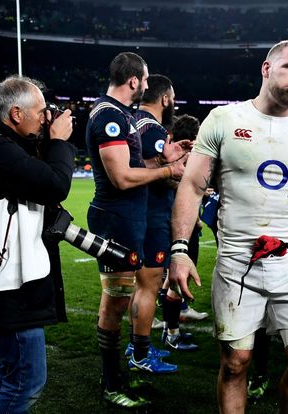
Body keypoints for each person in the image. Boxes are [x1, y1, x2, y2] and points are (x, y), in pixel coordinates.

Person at [168, 37, 288, 414]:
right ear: (266, 68)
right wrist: (179, 249)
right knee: (235, 363)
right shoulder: (225, 120)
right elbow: (192, 186)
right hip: (237, 263)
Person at [0, 75, 75, 413]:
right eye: (39, 112)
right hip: (8, 287)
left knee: (12, 374)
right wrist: (59, 142)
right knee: (26, 381)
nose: (44, 118)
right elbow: (54, 185)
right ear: (16, 115)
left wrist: (44, 137)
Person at [85, 52, 188, 408]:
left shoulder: (124, 116)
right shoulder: (109, 116)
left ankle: (120, 376)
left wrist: (162, 157)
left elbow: (134, 164)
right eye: (143, 80)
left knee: (123, 298)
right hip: (117, 219)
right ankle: (112, 382)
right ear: (133, 81)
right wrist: (166, 172)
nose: (145, 86)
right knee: (114, 305)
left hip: (129, 219)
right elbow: (122, 177)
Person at [129, 74, 197, 359]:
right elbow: (158, 177)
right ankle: (141, 352)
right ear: (165, 99)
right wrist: (187, 180)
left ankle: (138, 347)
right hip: (153, 215)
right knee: (149, 285)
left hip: (137, 216)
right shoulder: (153, 129)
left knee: (139, 286)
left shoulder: (133, 121)